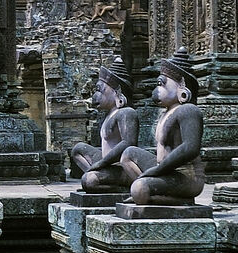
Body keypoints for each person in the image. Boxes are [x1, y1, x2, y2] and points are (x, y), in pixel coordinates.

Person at [119, 50, 206, 214]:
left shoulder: (188, 110)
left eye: (162, 84)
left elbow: (190, 147)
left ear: (182, 86)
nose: (157, 89)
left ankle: (167, 197)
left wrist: (157, 171)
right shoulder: (166, 113)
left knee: (139, 188)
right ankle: (148, 194)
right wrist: (157, 170)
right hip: (165, 170)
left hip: (186, 175)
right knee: (128, 154)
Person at [68, 61, 139, 193]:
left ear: (116, 92)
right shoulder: (108, 115)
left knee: (89, 181)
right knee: (78, 149)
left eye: (100, 90)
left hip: (122, 168)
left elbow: (128, 143)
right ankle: (97, 176)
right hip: (107, 164)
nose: (95, 96)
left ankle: (122, 188)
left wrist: (101, 163)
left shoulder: (126, 113)